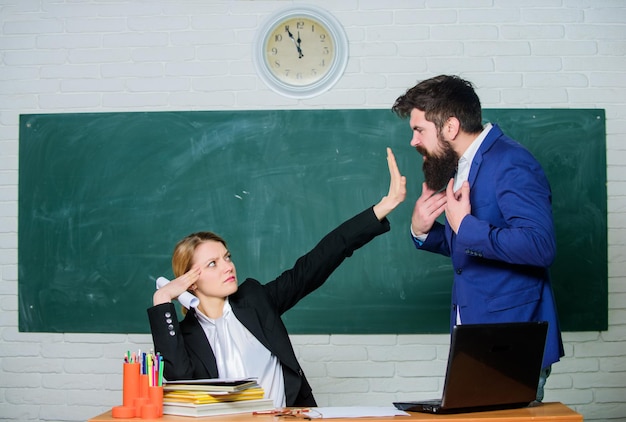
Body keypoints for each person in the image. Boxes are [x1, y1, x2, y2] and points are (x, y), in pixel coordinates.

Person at [147, 147, 406, 408]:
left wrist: (383, 207)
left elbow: (317, 262)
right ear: (191, 280)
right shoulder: (185, 335)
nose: (228, 267)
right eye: (213, 263)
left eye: (227, 257)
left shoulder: (255, 299)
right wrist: (162, 299)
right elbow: (179, 377)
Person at [392, 75, 564, 401]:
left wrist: (466, 225)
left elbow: (540, 246)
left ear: (450, 127)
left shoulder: (511, 162)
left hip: (512, 341)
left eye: (419, 129)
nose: (414, 141)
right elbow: (475, 248)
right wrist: (424, 231)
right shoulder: (464, 165)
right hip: (475, 336)